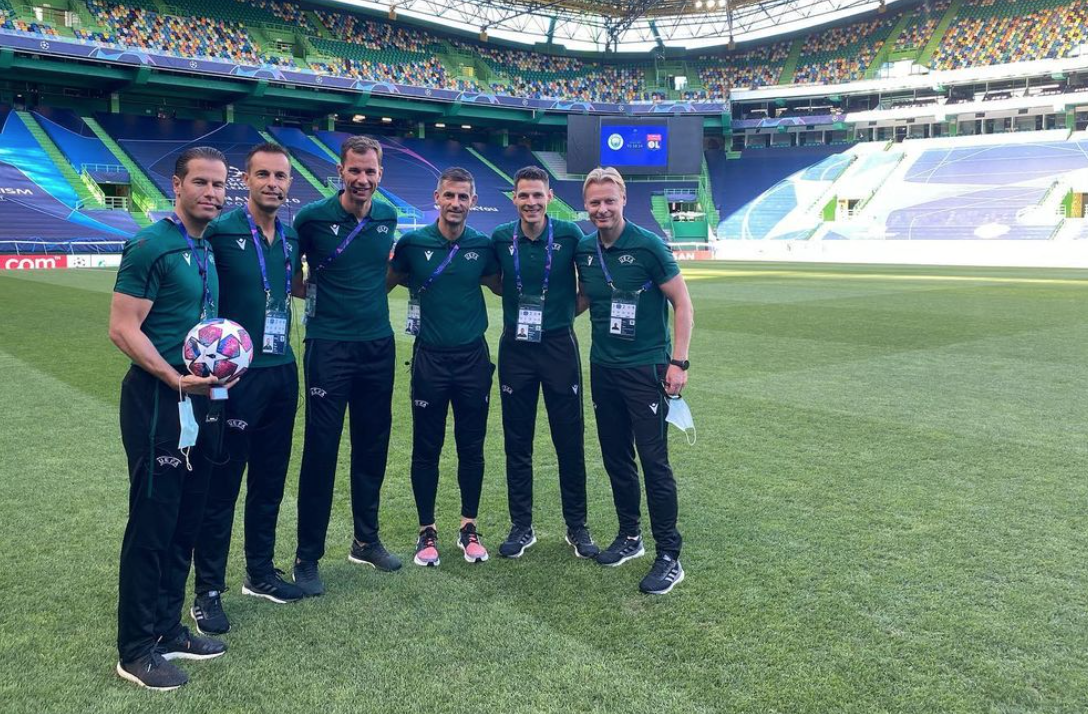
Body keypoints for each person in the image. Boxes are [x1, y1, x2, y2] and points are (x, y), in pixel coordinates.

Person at [108, 146, 231, 690]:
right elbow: (123, 328)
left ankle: (166, 627)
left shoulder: (204, 248)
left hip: (198, 399)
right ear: (177, 186)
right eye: (201, 183)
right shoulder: (151, 244)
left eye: (219, 185)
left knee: (185, 522)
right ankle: (135, 648)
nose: (211, 193)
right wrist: (173, 378)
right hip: (159, 400)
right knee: (153, 525)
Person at [188, 143, 305, 637]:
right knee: (222, 484)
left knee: (270, 480)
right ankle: (207, 591)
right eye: (263, 174)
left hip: (283, 370)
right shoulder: (220, 230)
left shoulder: (293, 235)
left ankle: (260, 572)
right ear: (247, 179)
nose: (272, 183)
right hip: (233, 379)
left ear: (289, 183)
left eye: (280, 175)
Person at [576, 167, 694, 595]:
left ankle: (669, 555)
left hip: (646, 369)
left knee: (654, 461)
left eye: (609, 200)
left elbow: (682, 303)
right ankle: (631, 537)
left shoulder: (648, 246)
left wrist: (678, 362)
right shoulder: (586, 250)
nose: (602, 209)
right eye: (594, 202)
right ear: (585, 205)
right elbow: (586, 298)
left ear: (623, 200)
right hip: (603, 368)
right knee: (615, 458)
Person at [292, 135, 402, 596]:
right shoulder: (312, 217)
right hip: (329, 347)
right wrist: (328, 303)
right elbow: (287, 277)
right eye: (354, 170)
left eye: (370, 171)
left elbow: (382, 273)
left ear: (380, 174)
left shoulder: (387, 216)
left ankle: (366, 539)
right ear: (340, 171)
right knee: (321, 450)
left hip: (378, 345)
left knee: (372, 446)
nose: (362, 179)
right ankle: (307, 555)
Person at [387, 166, 499, 566]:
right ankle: (426, 531)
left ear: (472, 200)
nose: (455, 204)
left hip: (472, 358)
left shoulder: (483, 246)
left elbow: (505, 284)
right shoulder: (412, 244)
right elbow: (382, 282)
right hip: (429, 359)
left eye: (463, 197)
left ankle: (469, 526)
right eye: (448, 196)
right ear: (437, 198)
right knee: (426, 447)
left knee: (472, 446)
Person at [489, 166, 599, 559]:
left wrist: (560, 316)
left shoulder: (570, 234)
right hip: (515, 350)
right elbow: (493, 281)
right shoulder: (501, 238)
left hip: (558, 348)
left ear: (550, 197)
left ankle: (577, 527)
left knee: (569, 441)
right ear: (514, 198)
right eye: (524, 195)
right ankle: (522, 526)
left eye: (538, 195)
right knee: (517, 442)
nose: (531, 202)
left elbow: (587, 289)